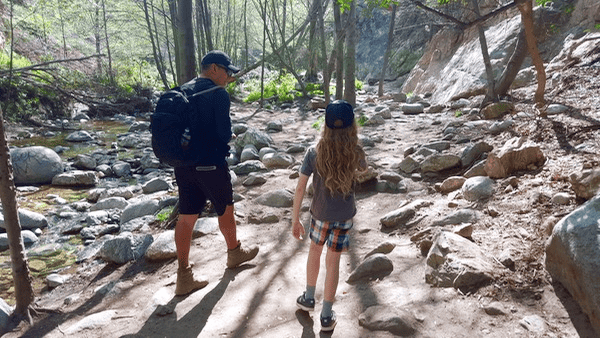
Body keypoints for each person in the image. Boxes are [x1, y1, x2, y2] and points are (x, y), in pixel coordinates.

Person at [173, 50, 259, 296]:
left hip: (184, 165)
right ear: (213, 69)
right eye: (226, 71)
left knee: (186, 217)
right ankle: (234, 253)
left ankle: (184, 276)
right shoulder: (218, 94)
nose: (228, 76)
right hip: (210, 163)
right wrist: (228, 136)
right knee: (226, 208)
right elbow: (223, 132)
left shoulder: (183, 90)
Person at [291, 100, 367, 331]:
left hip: (320, 215)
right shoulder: (355, 151)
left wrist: (295, 219)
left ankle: (309, 297)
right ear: (352, 125)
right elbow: (363, 169)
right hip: (343, 217)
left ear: (325, 125)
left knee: (314, 252)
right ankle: (326, 316)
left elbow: (301, 188)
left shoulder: (314, 152)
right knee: (333, 262)